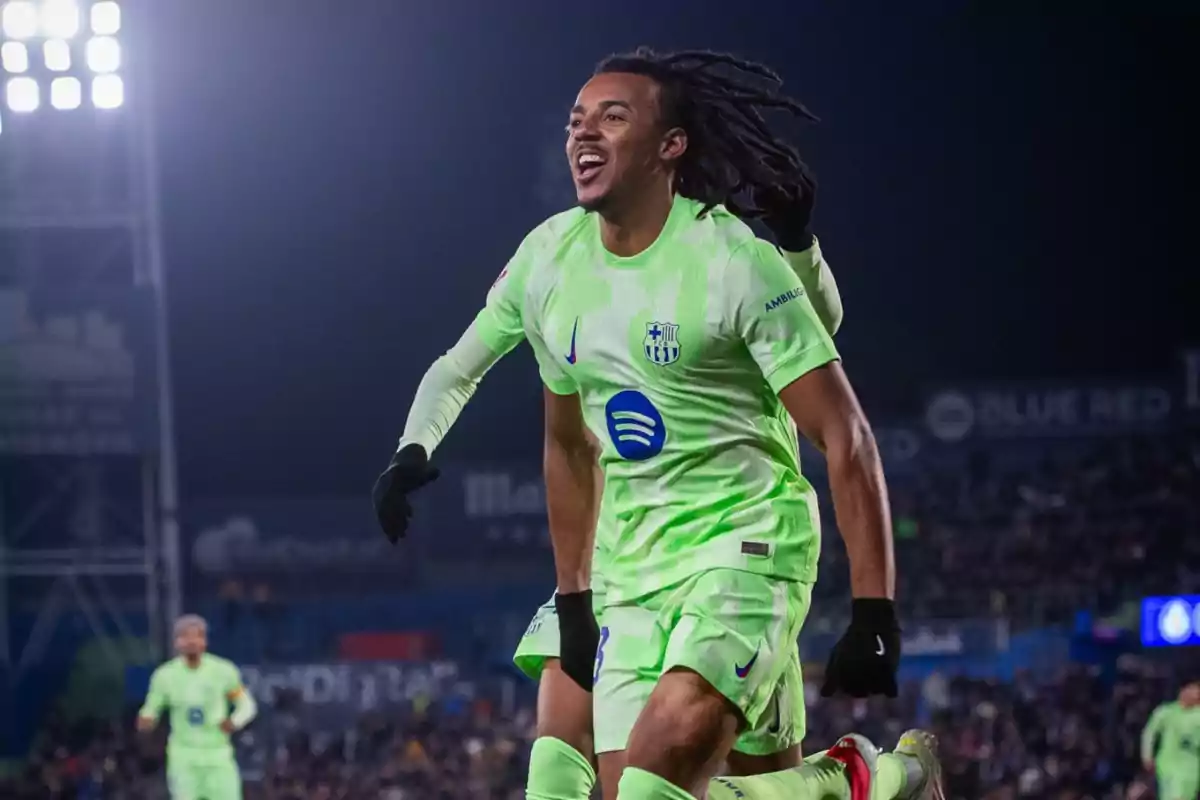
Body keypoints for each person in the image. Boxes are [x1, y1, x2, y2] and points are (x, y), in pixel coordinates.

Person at [375, 47, 942, 800]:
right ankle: (866, 776)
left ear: (670, 145)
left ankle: (868, 773)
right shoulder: (550, 263)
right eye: (576, 121)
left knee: (645, 792)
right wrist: (416, 449)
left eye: (613, 117)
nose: (585, 134)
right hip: (630, 562)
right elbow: (562, 439)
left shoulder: (729, 258)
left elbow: (845, 432)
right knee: (603, 789)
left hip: (744, 544)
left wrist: (875, 610)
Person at [137, 615, 257, 800]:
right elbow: (150, 709)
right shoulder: (164, 676)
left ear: (205, 641)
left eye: (197, 636)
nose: (192, 641)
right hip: (183, 758)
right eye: (185, 636)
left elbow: (247, 705)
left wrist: (234, 722)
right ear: (177, 642)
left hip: (218, 755)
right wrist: (146, 720)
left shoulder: (223, 671)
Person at [1140, 679, 1200, 800]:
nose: (1195, 694)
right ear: (1182, 690)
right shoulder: (1165, 711)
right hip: (1167, 764)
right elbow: (1149, 732)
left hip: (1191, 767)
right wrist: (1146, 755)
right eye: (1193, 689)